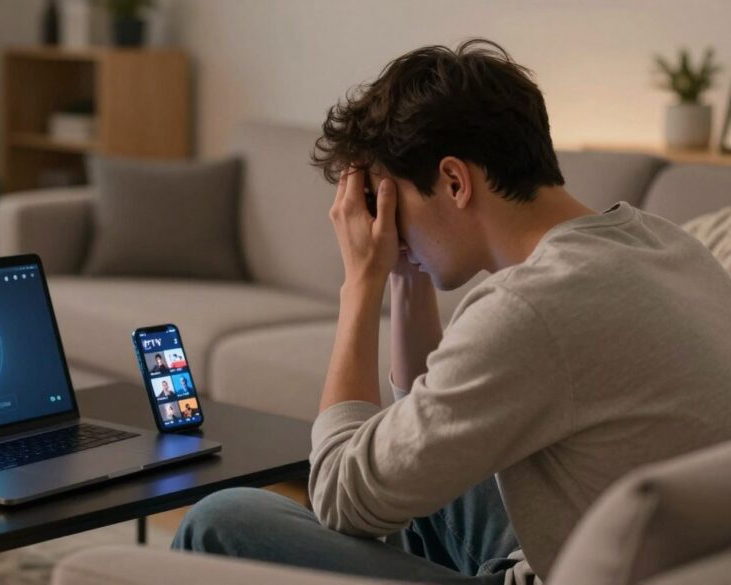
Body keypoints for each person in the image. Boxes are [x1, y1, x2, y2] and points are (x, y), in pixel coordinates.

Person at [172, 39, 731, 585]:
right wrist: (406, 274)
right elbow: (424, 428)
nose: (383, 230)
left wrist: (360, 285)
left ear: (455, 181)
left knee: (220, 521)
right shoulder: (662, 242)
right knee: (416, 460)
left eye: (388, 204)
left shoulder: (527, 308)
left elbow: (342, 496)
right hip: (605, 553)